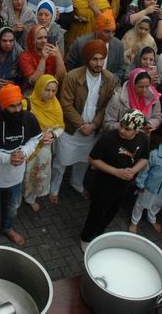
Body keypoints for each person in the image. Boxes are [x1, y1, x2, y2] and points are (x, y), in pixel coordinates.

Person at [0, 85, 48, 247]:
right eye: (12, 106)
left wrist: (23, 153)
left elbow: (35, 139)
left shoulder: (29, 118)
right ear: (2, 107)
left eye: (19, 105)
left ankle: (8, 228)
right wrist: (7, 158)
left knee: (11, 206)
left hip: (16, 177)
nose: (17, 110)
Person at [50, 40, 117, 202]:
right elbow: (65, 104)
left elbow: (107, 106)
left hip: (92, 130)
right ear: (87, 59)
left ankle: (77, 184)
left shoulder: (109, 78)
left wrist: (94, 125)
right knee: (61, 161)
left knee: (84, 161)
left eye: (101, 59)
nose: (99, 63)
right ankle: (54, 188)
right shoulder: (73, 76)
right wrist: (81, 125)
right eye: (95, 59)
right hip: (71, 129)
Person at [80, 111, 150, 250]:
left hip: (123, 186)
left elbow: (144, 158)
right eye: (121, 126)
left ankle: (99, 234)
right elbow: (92, 159)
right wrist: (116, 172)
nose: (122, 130)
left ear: (137, 130)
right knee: (96, 213)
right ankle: (86, 238)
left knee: (111, 212)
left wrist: (133, 170)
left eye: (127, 129)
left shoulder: (143, 139)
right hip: (103, 185)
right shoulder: (108, 137)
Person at [23, 75, 64, 212]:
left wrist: (52, 135)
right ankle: (15, 202)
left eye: (53, 91)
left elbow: (61, 127)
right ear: (39, 88)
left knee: (38, 174)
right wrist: (37, 137)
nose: (50, 94)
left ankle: (30, 199)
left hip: (44, 149)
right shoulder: (26, 104)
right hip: (27, 147)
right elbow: (19, 127)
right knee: (21, 174)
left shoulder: (55, 105)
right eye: (47, 90)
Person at [65, 10, 127, 82]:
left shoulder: (118, 46)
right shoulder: (80, 43)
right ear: (96, 29)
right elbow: (69, 66)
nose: (111, 35)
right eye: (106, 31)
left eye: (113, 31)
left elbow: (121, 69)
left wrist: (111, 81)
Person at [104, 67, 162, 132]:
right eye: (141, 87)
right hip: (121, 136)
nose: (144, 90)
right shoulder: (118, 98)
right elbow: (108, 123)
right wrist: (126, 125)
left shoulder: (153, 96)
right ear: (133, 84)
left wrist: (150, 124)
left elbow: (157, 117)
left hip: (143, 136)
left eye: (147, 86)